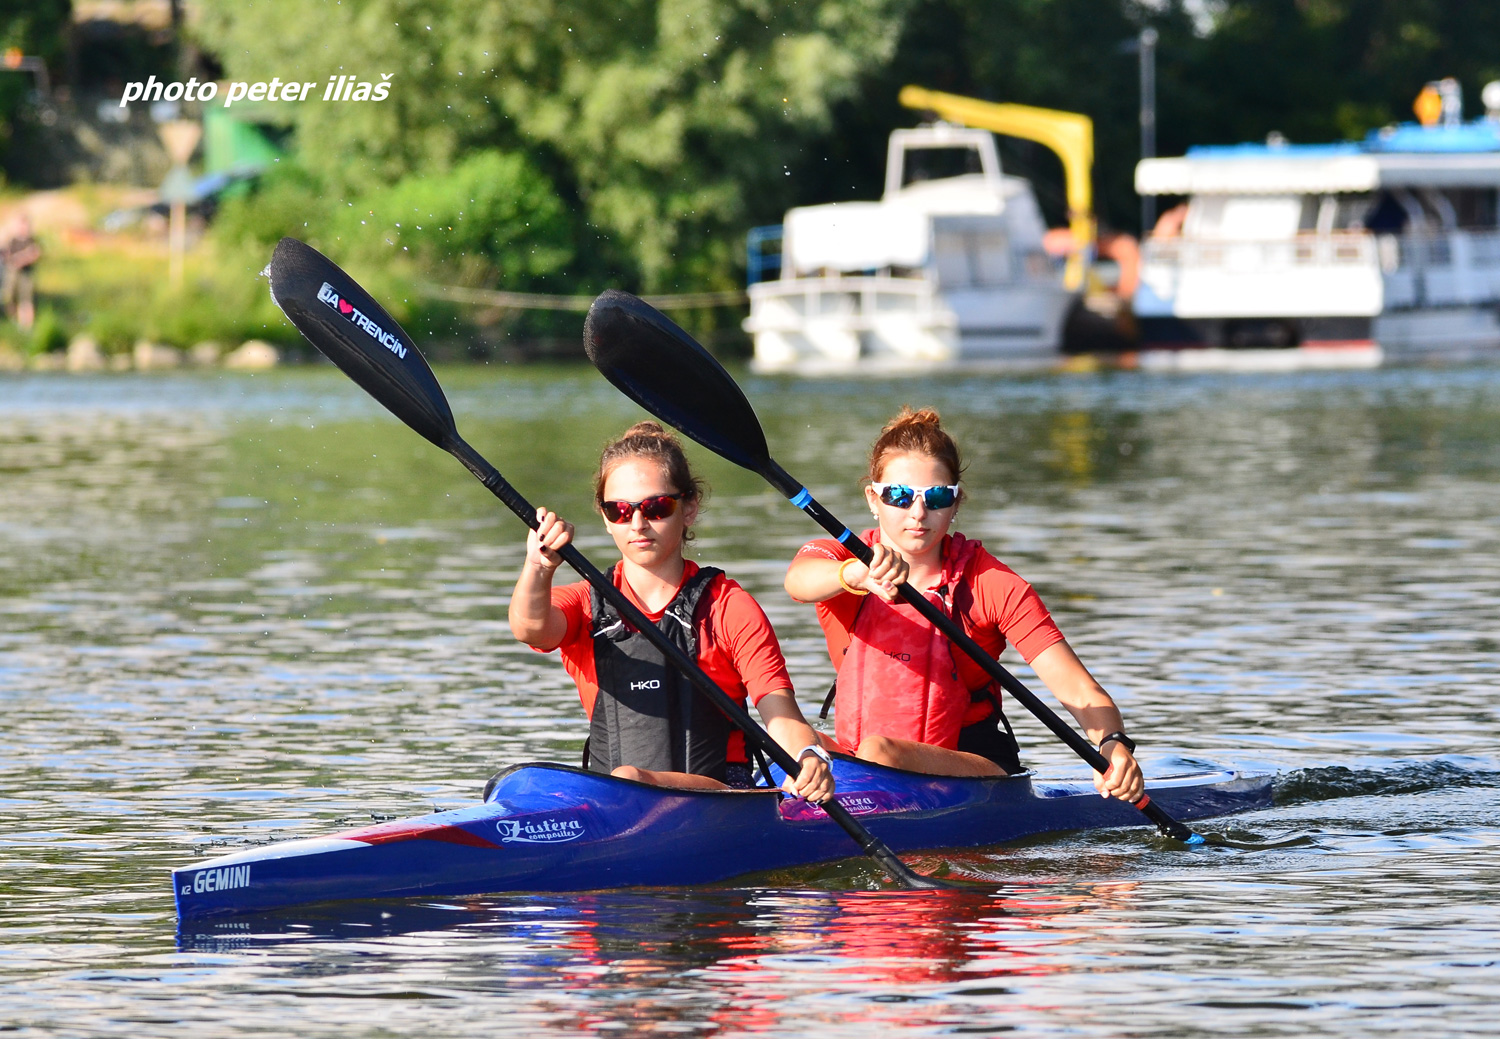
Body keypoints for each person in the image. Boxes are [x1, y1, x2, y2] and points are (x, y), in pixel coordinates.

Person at [783, 407, 1144, 803]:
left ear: (956, 504)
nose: (918, 514)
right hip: (863, 760)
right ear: (874, 498)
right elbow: (797, 581)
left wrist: (1112, 745)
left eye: (937, 497)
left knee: (878, 751)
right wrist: (857, 576)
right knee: (786, 742)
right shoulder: (840, 560)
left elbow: (1077, 687)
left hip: (974, 764)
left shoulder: (991, 584)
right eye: (899, 496)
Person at [509, 421, 834, 800]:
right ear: (604, 516)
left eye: (657, 507)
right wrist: (538, 567)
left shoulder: (728, 607)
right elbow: (530, 628)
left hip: (721, 795)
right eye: (619, 510)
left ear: (689, 508)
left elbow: (779, 713)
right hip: (612, 795)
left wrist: (808, 754)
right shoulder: (584, 604)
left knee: (629, 778)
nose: (637, 523)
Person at [1, 213, 40, 333]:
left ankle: (26, 326)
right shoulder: (12, 241)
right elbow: (5, 254)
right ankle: (16, 322)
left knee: (26, 300)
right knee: (11, 298)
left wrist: (20, 260)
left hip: (25, 274)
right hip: (12, 274)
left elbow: (35, 253)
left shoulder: (30, 240)